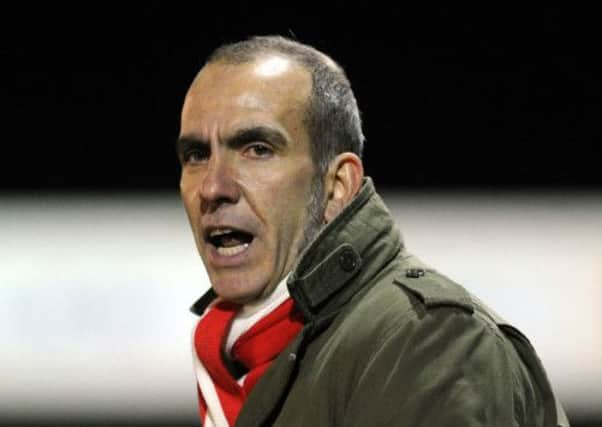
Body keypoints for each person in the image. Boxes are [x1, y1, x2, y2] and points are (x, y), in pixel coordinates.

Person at [177, 35, 569, 427]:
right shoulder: (250, 360)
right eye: (196, 155)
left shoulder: (429, 342)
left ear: (336, 187)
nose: (213, 188)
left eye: (257, 149)